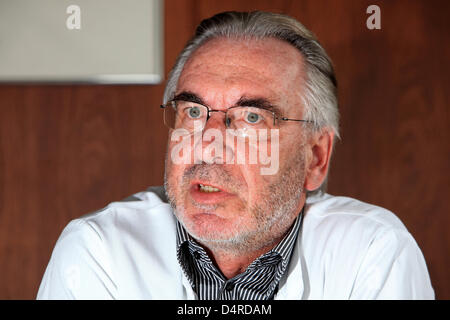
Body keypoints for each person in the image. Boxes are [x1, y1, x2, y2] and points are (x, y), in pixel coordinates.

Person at [37, 11, 434, 300]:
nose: (207, 142)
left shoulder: (374, 254)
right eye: (193, 111)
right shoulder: (98, 252)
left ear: (316, 158)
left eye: (250, 118)